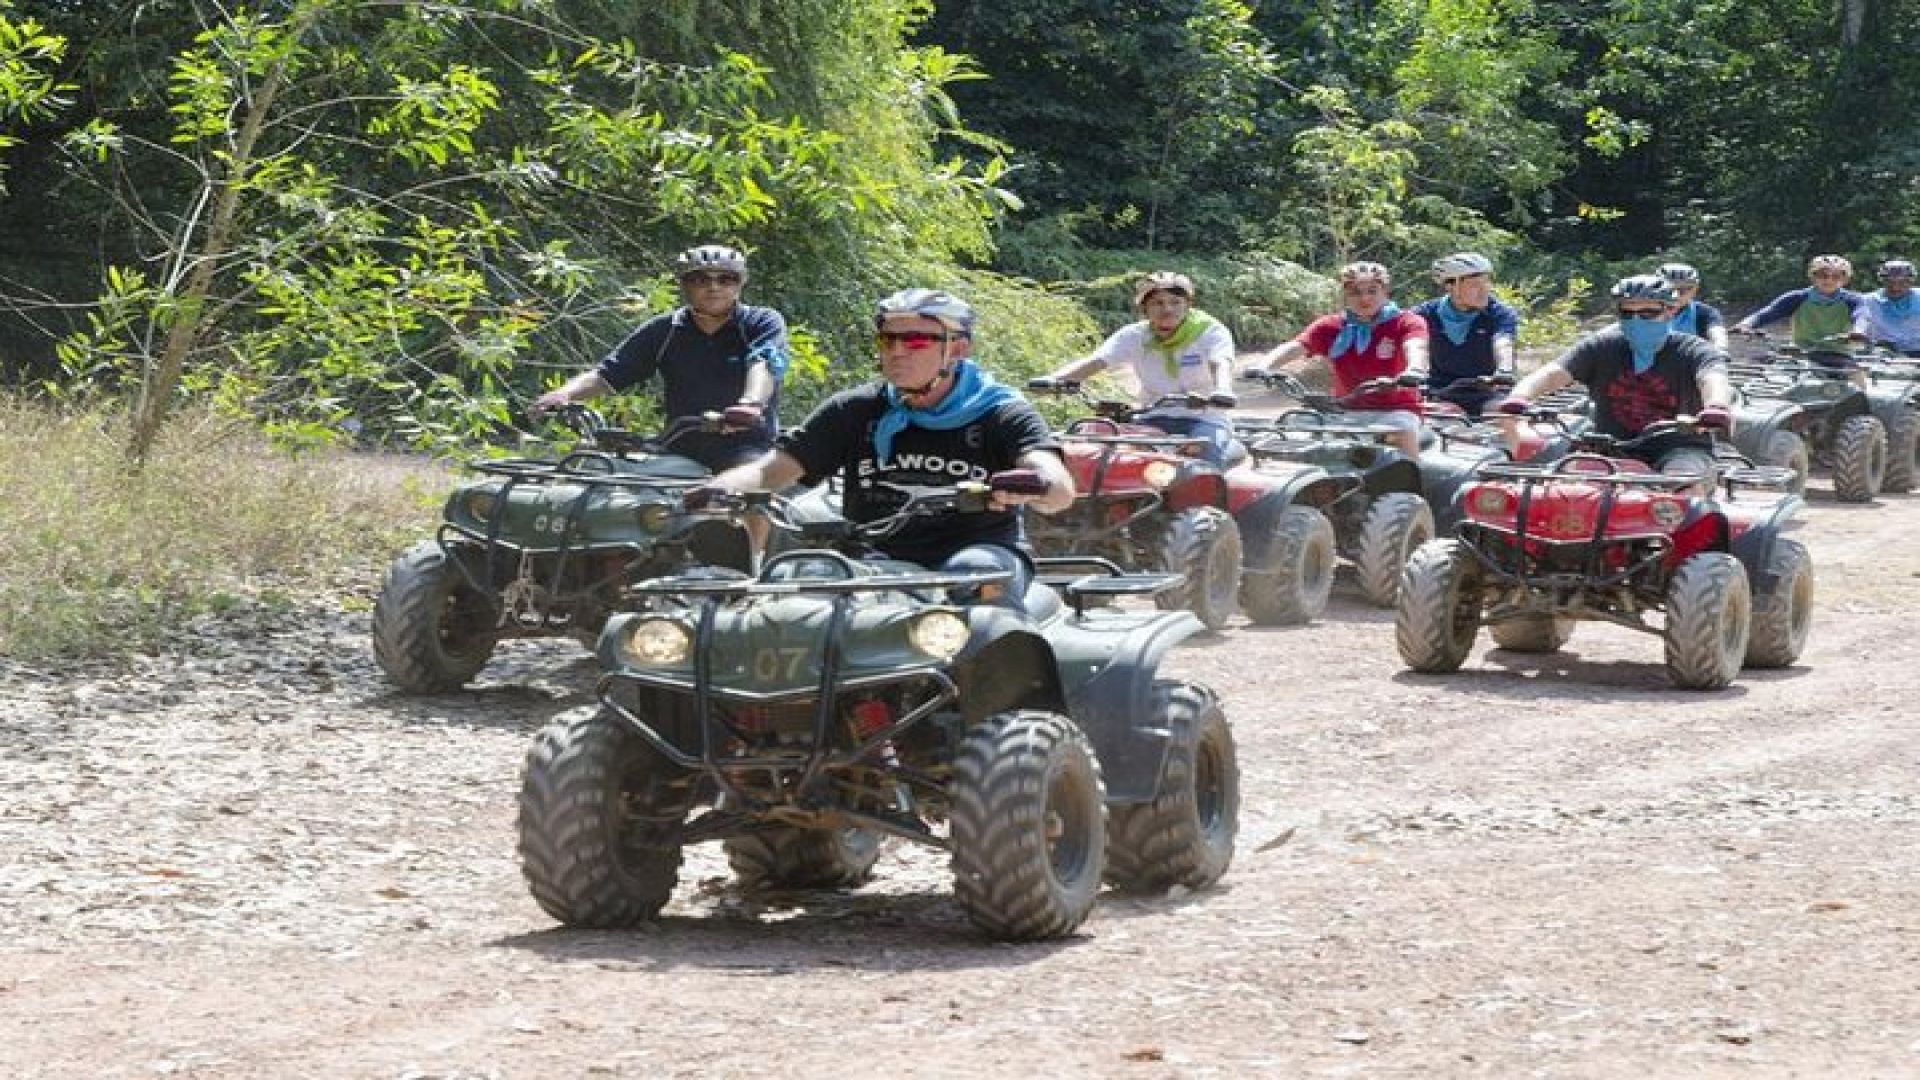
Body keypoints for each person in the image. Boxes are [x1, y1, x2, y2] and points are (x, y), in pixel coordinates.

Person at [687, 288, 1076, 604]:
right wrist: (716, 489)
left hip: (976, 550)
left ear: (957, 349)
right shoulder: (854, 409)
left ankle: (994, 682)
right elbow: (772, 470)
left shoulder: (1000, 412)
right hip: (872, 556)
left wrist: (1036, 483)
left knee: (976, 583)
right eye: (887, 339)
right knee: (793, 581)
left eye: (916, 340)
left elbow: (1058, 487)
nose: (896, 351)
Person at [529, 244, 790, 472]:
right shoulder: (666, 330)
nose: (713, 287)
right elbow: (609, 374)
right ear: (684, 284)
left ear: (739, 283)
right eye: (700, 279)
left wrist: (750, 404)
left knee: (749, 490)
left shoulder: (760, 322)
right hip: (679, 444)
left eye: (726, 279)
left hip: (745, 445)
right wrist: (564, 394)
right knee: (602, 473)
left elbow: (765, 362)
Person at [1493, 274, 1733, 478]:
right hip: (1610, 447)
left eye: (1648, 313)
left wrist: (1716, 407)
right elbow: (1554, 372)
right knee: (1568, 488)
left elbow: (1712, 378)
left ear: (1670, 311)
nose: (1636, 320)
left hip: (1680, 447)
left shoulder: (1695, 350)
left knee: (1682, 484)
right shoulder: (1602, 346)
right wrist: (1520, 397)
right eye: (1627, 313)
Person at [1033, 272, 1238, 464]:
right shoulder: (1135, 336)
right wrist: (1053, 380)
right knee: (1100, 451)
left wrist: (1223, 389)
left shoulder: (1209, 331)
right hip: (1153, 417)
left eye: (1175, 302)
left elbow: (1220, 362)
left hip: (1205, 418)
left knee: (1204, 457)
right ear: (1144, 308)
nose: (1167, 309)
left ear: (1188, 305)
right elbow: (1098, 360)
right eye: (1158, 303)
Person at [1249, 261, 1430, 458]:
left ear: (1385, 291)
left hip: (1396, 409)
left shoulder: (1406, 321)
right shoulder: (1331, 326)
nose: (1364, 298)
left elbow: (1415, 346)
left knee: (1402, 431)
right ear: (1345, 295)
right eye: (1355, 292)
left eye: (1372, 291)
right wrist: (1263, 366)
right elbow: (1296, 346)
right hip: (1344, 408)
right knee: (1294, 431)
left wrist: (1414, 369)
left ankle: (1413, 474)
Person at [1412, 252, 1518, 416]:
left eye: (1486, 283)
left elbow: (1503, 342)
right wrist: (1413, 370)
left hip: (1489, 390)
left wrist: (1505, 369)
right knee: (1441, 418)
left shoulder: (1500, 313)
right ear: (1450, 286)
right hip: (1442, 393)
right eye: (1475, 285)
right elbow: (1413, 344)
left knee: (1506, 415)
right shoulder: (1424, 313)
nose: (1484, 290)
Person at [1731, 254, 1868, 362]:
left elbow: (1862, 316)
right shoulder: (1797, 297)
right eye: (1823, 275)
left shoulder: (1853, 300)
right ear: (1813, 277)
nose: (1829, 280)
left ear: (1845, 280)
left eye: (1836, 276)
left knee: (1856, 379)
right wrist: (1745, 325)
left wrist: (1858, 332)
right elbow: (1767, 313)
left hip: (1839, 353)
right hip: (1799, 351)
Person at [1656, 262, 1730, 350]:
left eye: (1685, 289)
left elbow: (1718, 334)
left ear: (1695, 290)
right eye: (1669, 288)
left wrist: (1720, 348)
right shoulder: (1644, 309)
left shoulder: (1704, 312)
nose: (1677, 294)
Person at [1859, 259, 1920, 356]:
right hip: (1883, 353)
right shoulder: (1867, 301)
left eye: (1902, 282)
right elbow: (1859, 325)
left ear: (1910, 282)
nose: (1895, 287)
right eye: (1890, 282)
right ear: (1882, 281)